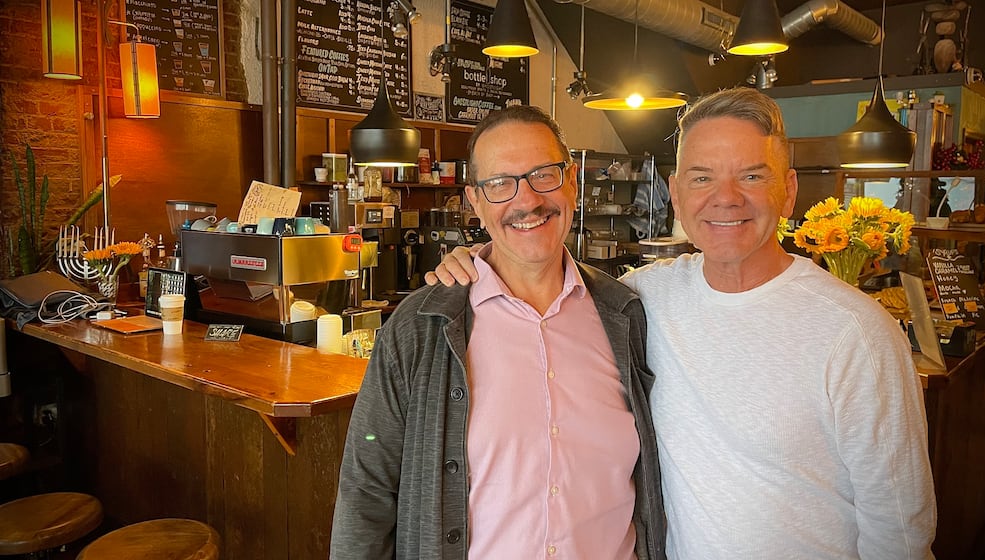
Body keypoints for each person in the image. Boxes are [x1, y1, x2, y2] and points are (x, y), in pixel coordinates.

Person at [428, 87, 937, 559]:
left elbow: (900, 531)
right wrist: (479, 260)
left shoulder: (856, 334)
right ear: (675, 193)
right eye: (702, 177)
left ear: (788, 190)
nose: (726, 197)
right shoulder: (643, 298)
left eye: (752, 176)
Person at [329, 105, 666, 560]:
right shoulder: (418, 329)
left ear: (571, 181)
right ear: (475, 202)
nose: (526, 201)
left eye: (543, 174)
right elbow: (366, 490)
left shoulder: (627, 316)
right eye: (500, 184)